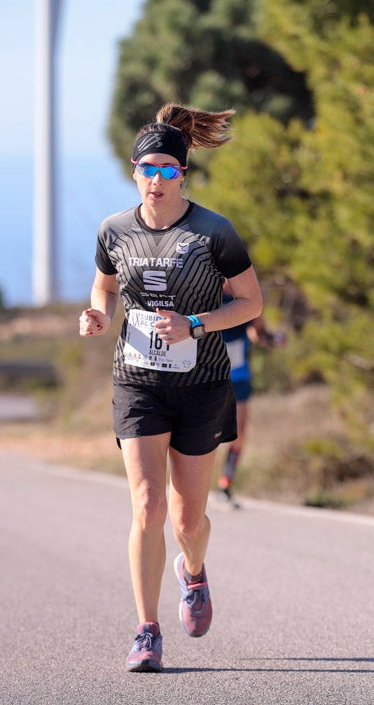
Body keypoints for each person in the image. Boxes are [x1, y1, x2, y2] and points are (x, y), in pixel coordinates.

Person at [79, 102, 262, 673]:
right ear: (133, 171)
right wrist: (97, 313)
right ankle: (146, 631)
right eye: (147, 169)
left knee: (188, 520)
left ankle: (195, 572)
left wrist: (197, 323)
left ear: (183, 174)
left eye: (167, 170)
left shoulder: (214, 231)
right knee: (148, 505)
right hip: (138, 381)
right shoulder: (114, 230)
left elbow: (251, 302)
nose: (156, 180)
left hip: (203, 381)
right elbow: (104, 287)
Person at [217, 285, 285, 509]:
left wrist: (274, 340)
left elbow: (258, 332)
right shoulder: (207, 290)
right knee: (200, 432)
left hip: (238, 376)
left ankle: (225, 486)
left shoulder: (246, 296)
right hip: (209, 376)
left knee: (239, 434)